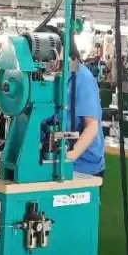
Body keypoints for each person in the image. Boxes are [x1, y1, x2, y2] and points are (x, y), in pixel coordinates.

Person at [38, 26, 104, 177]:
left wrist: (69, 157)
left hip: (82, 167)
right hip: (50, 162)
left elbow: (92, 126)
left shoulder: (81, 77)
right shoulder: (47, 77)